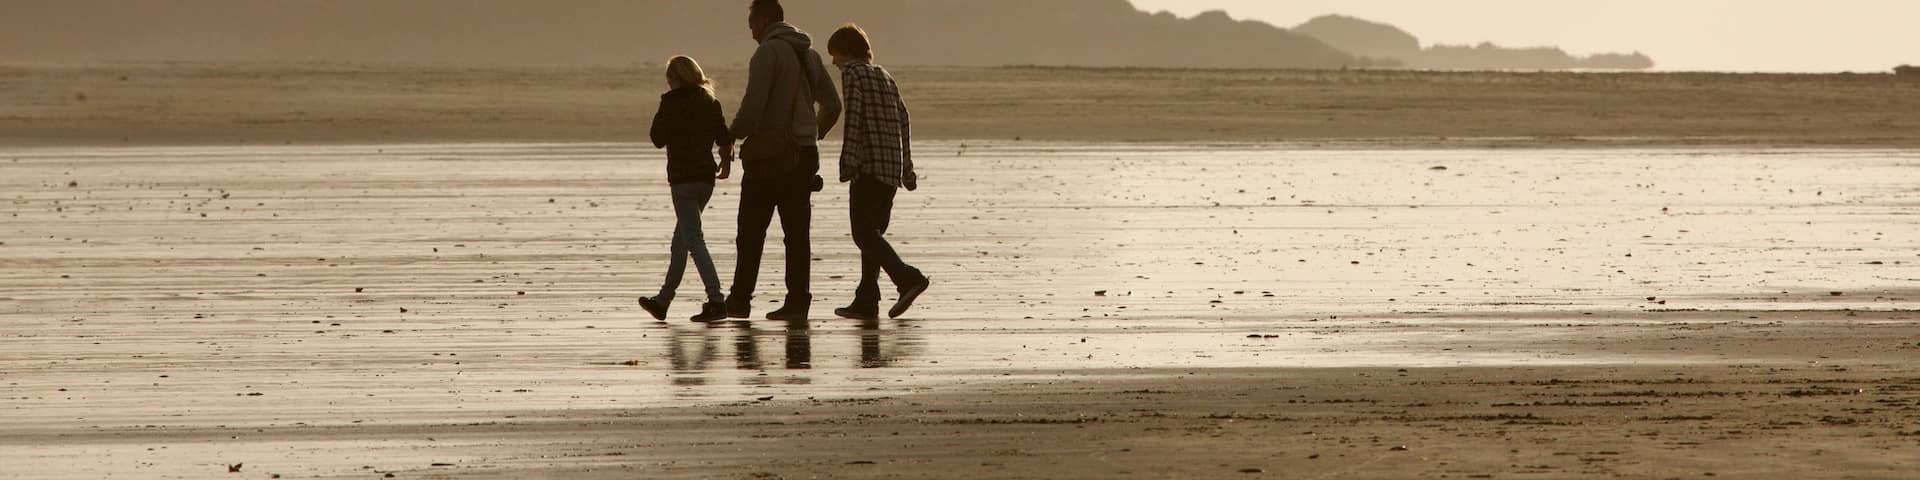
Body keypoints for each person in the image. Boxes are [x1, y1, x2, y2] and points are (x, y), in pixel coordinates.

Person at [726, 0, 842, 321]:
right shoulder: (810, 54)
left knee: (750, 230)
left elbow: (754, 104)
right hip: (804, 155)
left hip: (770, 154)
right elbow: (832, 105)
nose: (751, 33)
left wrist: (731, 134)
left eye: (751, 25)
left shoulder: (767, 53)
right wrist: (810, 135)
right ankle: (798, 301)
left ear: (763, 21)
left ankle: (739, 299)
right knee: (796, 232)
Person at [826, 24, 931, 320]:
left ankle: (907, 277)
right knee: (873, 235)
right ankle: (867, 299)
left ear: (846, 52)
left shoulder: (853, 74)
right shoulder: (885, 75)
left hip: (869, 166)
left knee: (863, 234)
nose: (833, 63)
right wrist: (907, 168)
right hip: (891, 169)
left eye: (835, 55)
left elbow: (854, 117)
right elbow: (904, 119)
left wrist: (847, 161)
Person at [638, 56, 732, 323]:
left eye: (670, 78)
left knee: (693, 240)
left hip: (682, 180)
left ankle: (716, 300)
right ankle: (663, 300)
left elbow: (657, 138)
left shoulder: (671, 103)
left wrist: (665, 108)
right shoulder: (709, 101)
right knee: (681, 241)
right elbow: (723, 137)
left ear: (676, 78)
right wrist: (725, 161)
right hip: (705, 178)